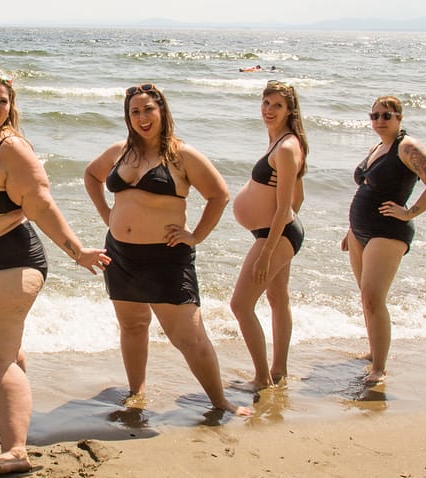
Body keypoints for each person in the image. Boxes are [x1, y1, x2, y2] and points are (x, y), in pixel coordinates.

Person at [0, 71, 110, 478]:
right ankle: (4, 418)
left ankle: (15, 450)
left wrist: (77, 251)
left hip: (7, 261)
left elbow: (41, 204)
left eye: (3, 101)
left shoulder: (12, 150)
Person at [83, 83, 250, 417]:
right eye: (135, 111)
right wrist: (108, 215)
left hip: (165, 258)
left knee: (188, 336)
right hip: (120, 254)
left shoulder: (181, 155)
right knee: (132, 326)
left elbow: (219, 195)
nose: (142, 118)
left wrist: (195, 235)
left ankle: (221, 401)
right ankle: (137, 391)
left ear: (162, 111)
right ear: (127, 116)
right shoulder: (120, 151)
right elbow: (90, 175)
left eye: (148, 110)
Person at [341, 95, 426, 385]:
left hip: (387, 231)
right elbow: (367, 188)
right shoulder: (378, 146)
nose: (379, 121)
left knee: (374, 297)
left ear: (399, 118)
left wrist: (409, 212)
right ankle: (375, 351)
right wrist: (350, 230)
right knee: (366, 297)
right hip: (360, 232)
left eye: (386, 115)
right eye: (374, 115)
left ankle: (379, 368)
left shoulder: (407, 147)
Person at [230, 80, 309, 391]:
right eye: (266, 103)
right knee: (277, 299)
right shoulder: (279, 141)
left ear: (290, 109)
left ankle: (262, 378)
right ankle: (278, 371)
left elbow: (284, 207)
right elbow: (298, 196)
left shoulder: (287, 147)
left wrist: (268, 251)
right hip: (277, 233)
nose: (269, 110)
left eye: (277, 105)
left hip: (276, 234)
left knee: (240, 305)